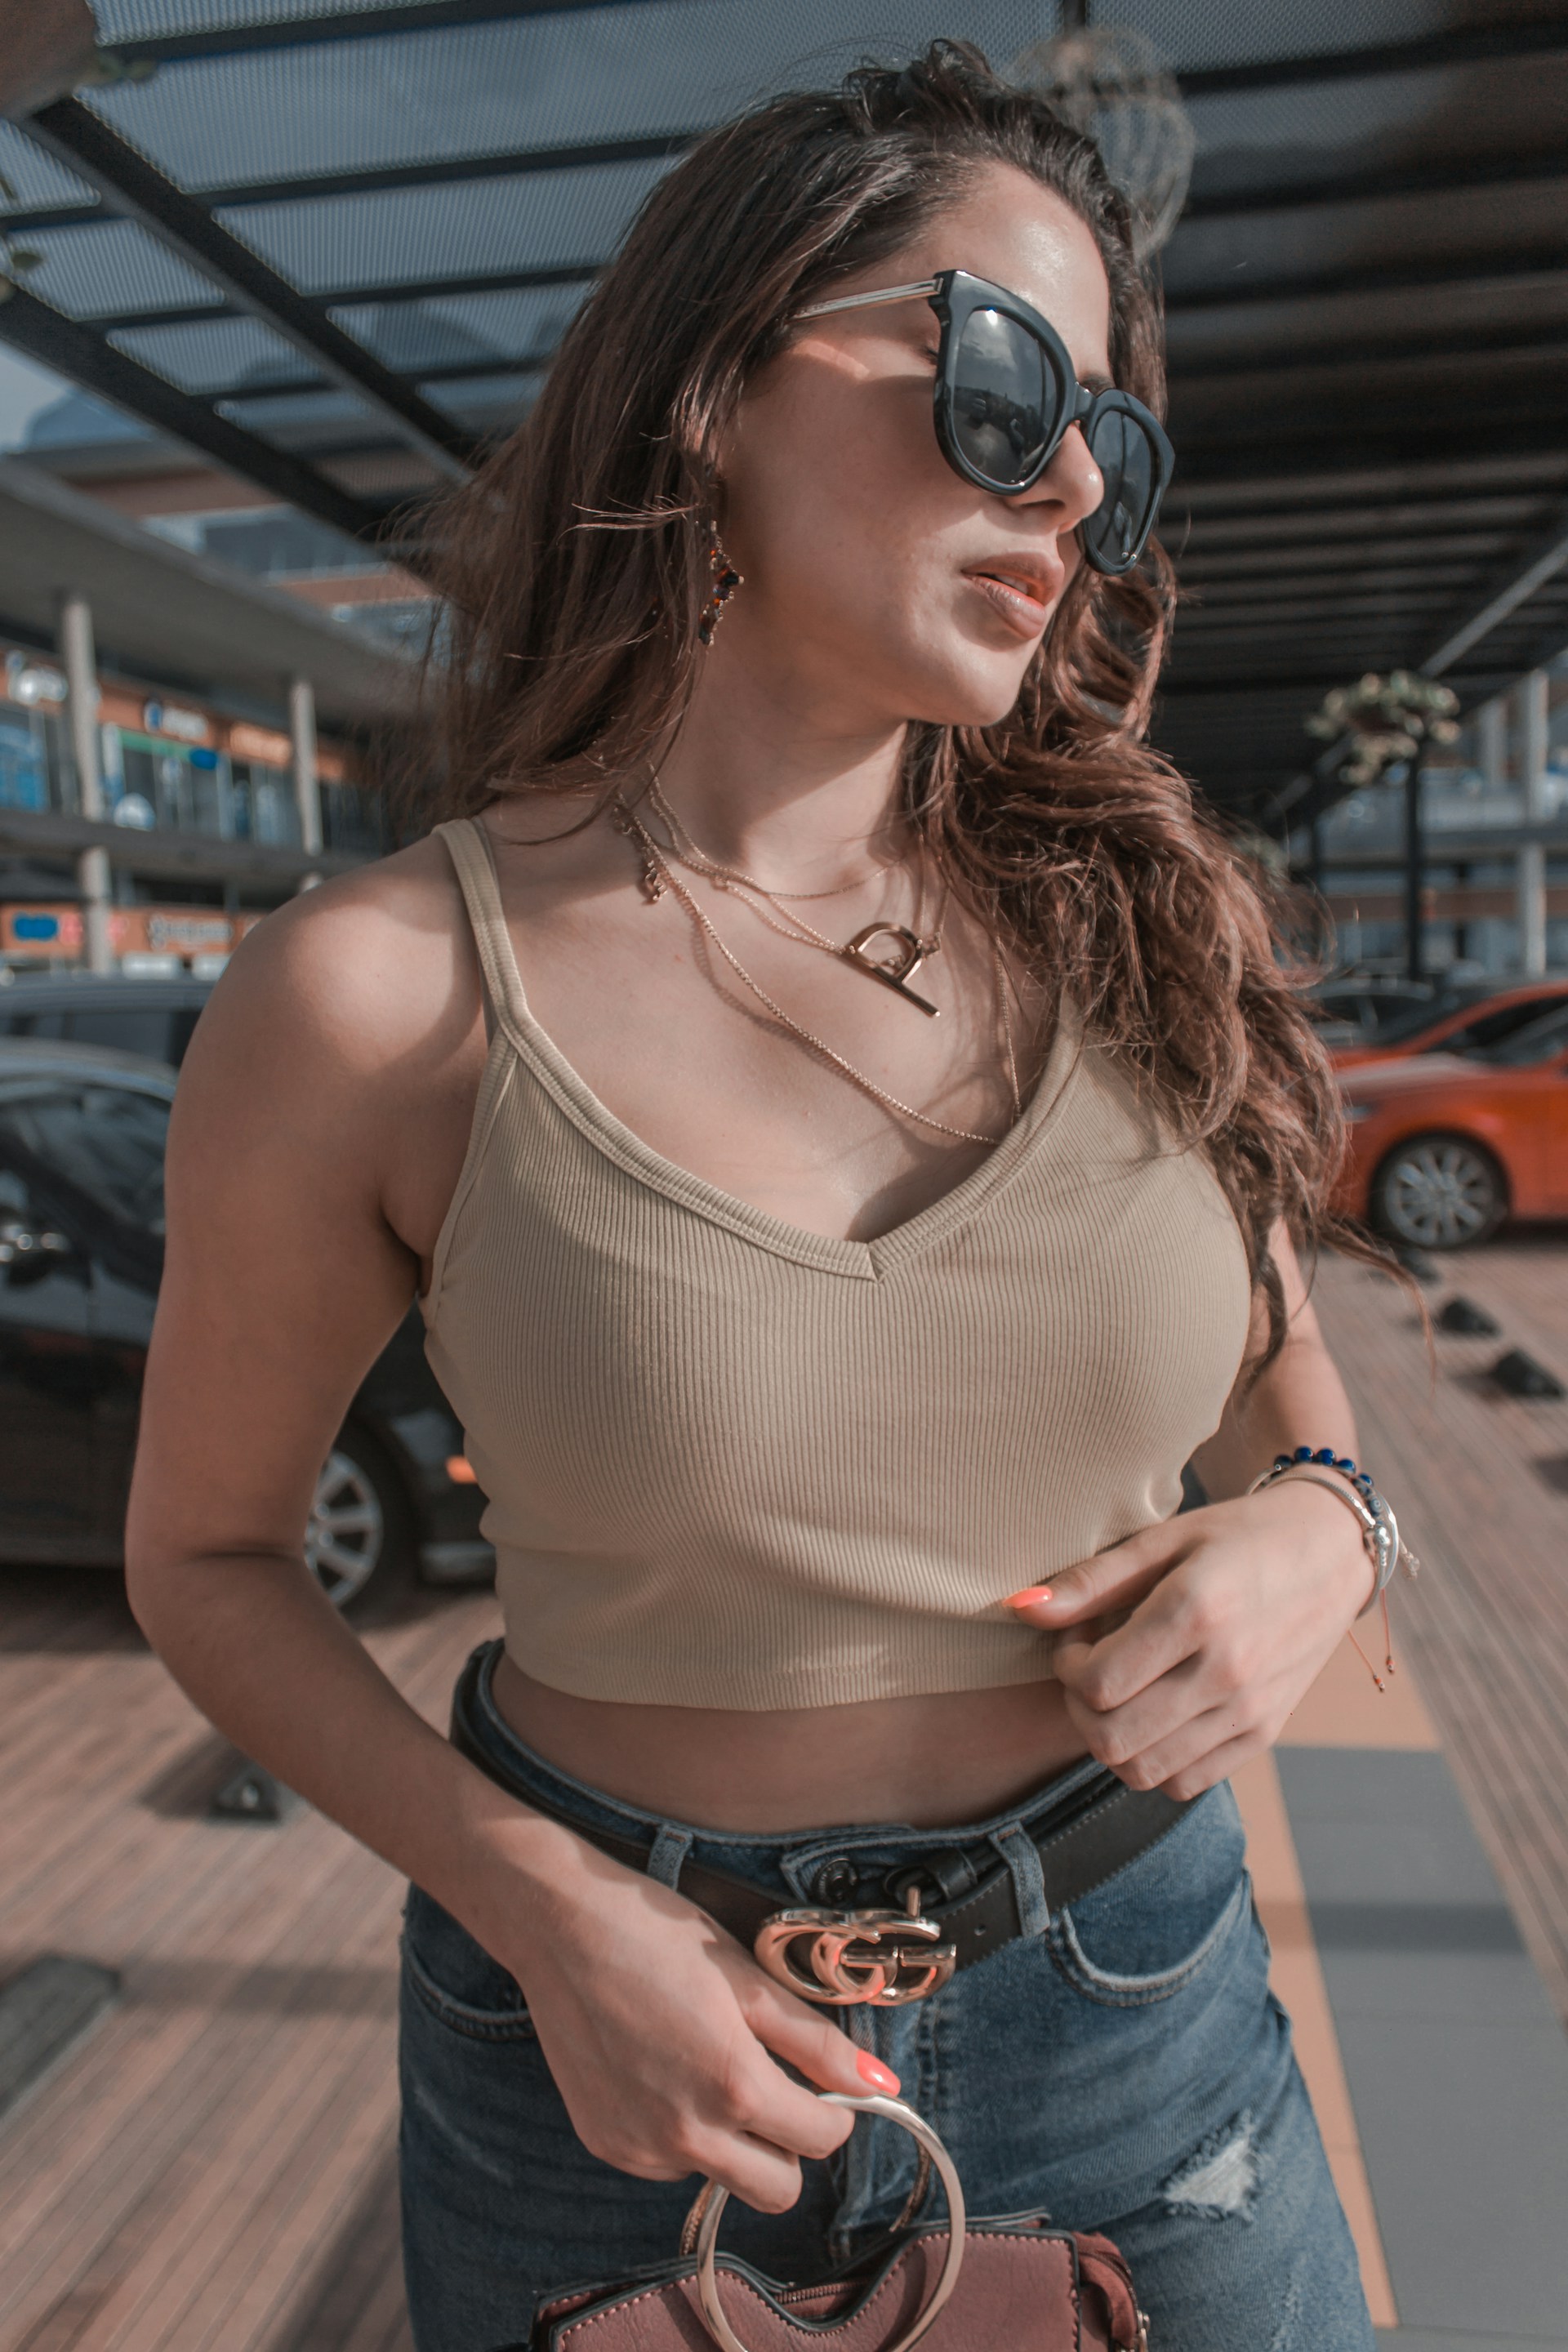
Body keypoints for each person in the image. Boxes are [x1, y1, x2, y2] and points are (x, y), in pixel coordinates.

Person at [127, 44, 1389, 2352]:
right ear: (718, 380)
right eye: (1007, 384)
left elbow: (1295, 1421)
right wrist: (541, 1912)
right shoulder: (383, 996)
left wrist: (1330, 1532)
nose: (1073, 481)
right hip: (613, 2059)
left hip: (1141, 2002)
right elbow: (207, 1560)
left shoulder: (1139, 931)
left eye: (1115, 442)